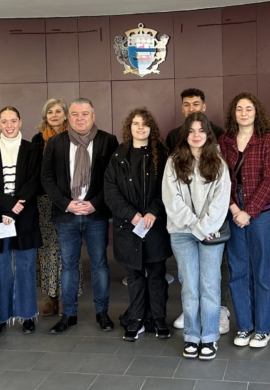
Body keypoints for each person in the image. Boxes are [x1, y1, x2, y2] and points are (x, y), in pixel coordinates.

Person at [41, 97, 119, 334]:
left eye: (85, 114)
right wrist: (67, 204)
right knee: (68, 267)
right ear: (68, 117)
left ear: (93, 116)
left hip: (95, 215)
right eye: (74, 114)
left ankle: (102, 313)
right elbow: (47, 178)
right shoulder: (55, 143)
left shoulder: (108, 141)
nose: (80, 118)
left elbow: (113, 179)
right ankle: (69, 315)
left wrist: (95, 204)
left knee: (99, 265)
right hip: (67, 216)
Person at [162, 112, 231, 360]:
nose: (196, 135)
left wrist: (203, 228)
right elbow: (172, 200)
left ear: (208, 134)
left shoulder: (219, 163)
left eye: (201, 130)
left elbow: (221, 202)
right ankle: (192, 336)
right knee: (190, 287)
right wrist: (195, 227)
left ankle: (209, 337)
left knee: (210, 286)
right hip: (182, 234)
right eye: (191, 131)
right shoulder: (173, 162)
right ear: (185, 135)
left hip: (211, 233)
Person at [104, 108, 172, 341]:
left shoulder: (163, 155)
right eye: (135, 123)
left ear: (151, 128)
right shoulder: (118, 156)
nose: (140, 127)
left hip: (156, 226)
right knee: (134, 276)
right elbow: (110, 192)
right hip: (128, 227)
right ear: (129, 127)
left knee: (156, 274)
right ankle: (137, 319)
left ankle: (158, 318)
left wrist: (153, 211)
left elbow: (169, 188)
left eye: (144, 124)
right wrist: (131, 214)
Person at [218, 93, 270, 348]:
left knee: (260, 273)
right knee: (238, 271)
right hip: (232, 210)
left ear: (257, 112)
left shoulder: (266, 140)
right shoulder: (225, 140)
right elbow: (221, 178)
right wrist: (233, 208)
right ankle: (244, 326)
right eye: (239, 109)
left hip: (260, 212)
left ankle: (263, 328)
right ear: (234, 113)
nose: (243, 113)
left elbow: (269, 179)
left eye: (249, 109)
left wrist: (248, 211)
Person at [0, 107, 43, 335]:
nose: (9, 125)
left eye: (13, 120)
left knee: (25, 267)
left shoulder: (33, 150)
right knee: (1, 268)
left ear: (20, 122)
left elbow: (34, 181)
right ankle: (1, 316)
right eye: (4, 121)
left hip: (24, 216)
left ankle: (27, 314)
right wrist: (8, 206)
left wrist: (15, 209)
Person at [31, 98, 80, 317]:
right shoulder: (37, 139)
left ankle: (67, 297)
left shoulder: (76, 136)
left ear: (66, 114)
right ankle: (51, 296)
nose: (54, 115)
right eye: (49, 111)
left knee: (68, 251)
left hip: (69, 200)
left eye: (58, 111)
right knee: (48, 251)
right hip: (44, 201)